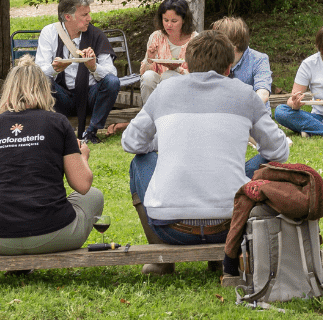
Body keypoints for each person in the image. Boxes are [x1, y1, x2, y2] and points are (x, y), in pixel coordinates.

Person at [123, 32, 290, 257]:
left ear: (186, 65)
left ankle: (159, 256)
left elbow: (131, 142)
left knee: (140, 160)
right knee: (269, 162)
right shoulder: (245, 94)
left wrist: (165, 141)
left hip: (170, 229)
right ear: (229, 68)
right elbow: (278, 151)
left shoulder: (164, 90)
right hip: (231, 225)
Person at [0, 56, 104, 255]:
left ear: (9, 90)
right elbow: (83, 185)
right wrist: (82, 156)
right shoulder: (57, 122)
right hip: (54, 233)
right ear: (45, 89)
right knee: (94, 195)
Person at [35, 0, 119, 144]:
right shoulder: (50, 32)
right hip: (61, 97)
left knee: (112, 82)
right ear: (68, 17)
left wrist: (94, 67)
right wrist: (55, 69)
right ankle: (51, 130)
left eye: (89, 13)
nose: (89, 18)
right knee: (42, 80)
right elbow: (39, 70)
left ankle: (91, 132)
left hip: (90, 97)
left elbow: (111, 74)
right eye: (84, 15)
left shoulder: (97, 35)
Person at [139, 0, 197, 104]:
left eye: (174, 21)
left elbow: (200, 76)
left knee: (168, 75)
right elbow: (144, 72)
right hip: (159, 86)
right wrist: (150, 59)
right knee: (148, 77)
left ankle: (169, 116)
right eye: (165, 20)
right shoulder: (156, 37)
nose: (169, 25)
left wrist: (178, 70)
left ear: (184, 20)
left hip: (187, 90)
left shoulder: (195, 40)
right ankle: (150, 115)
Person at [209, 16, 272, 101]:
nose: (214, 46)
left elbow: (263, 95)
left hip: (253, 111)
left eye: (218, 43)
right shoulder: (213, 58)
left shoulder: (259, 59)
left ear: (234, 46)